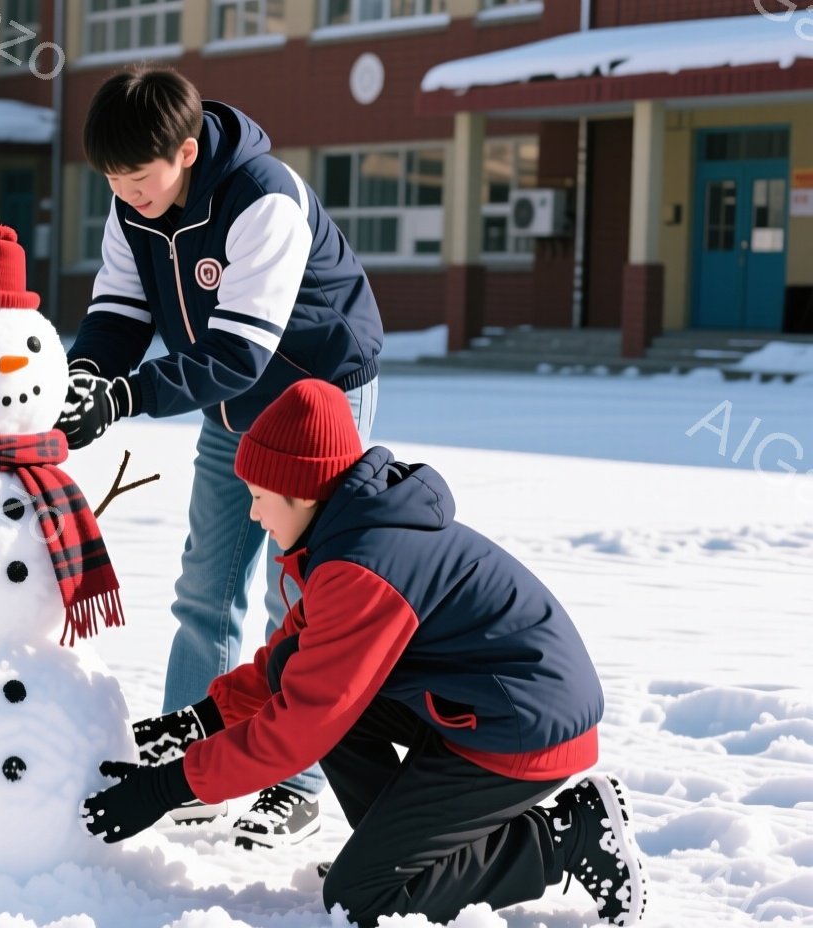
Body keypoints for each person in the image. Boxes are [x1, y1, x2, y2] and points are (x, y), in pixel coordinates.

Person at [82, 381, 646, 928]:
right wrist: (199, 721)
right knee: (289, 668)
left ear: (302, 493)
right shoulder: (348, 531)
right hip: (476, 704)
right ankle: (388, 854)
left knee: (362, 900)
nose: (254, 514)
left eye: (258, 497)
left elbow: (300, 728)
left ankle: (567, 835)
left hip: (522, 729)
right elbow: (297, 658)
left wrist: (166, 788)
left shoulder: (363, 567)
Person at [55, 65, 383, 846]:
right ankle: (188, 764)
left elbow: (240, 351)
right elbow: (120, 309)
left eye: (138, 177)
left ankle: (297, 781)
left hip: (315, 400)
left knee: (298, 598)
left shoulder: (263, 198)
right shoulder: (133, 206)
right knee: (206, 585)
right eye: (111, 179)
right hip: (230, 402)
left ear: (187, 151)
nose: (125, 192)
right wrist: (87, 375)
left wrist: (125, 398)